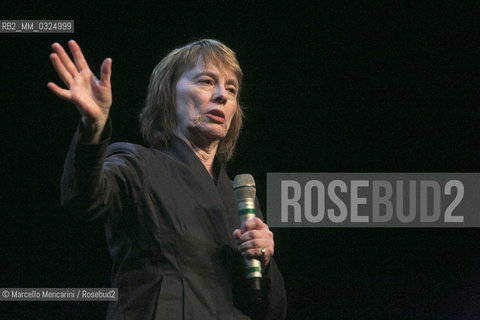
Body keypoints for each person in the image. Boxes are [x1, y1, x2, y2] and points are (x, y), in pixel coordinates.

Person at [49, 39, 287, 319]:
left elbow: (272, 311)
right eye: (207, 82)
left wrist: (265, 260)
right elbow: (84, 199)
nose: (222, 95)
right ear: (168, 94)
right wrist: (93, 127)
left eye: (231, 89)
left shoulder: (240, 199)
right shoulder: (138, 165)